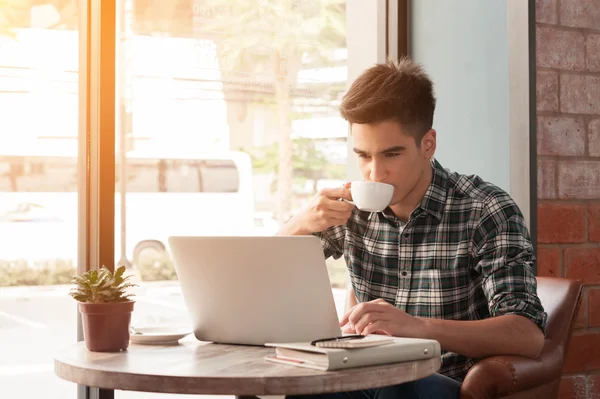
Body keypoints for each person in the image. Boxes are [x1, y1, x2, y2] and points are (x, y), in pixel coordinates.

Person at [278, 57, 547, 399]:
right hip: (361, 376)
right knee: (301, 387)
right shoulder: (350, 211)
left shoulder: (485, 209)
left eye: (391, 155)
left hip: (441, 383)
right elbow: (258, 274)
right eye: (363, 155)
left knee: (399, 388)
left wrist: (417, 328)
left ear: (428, 144)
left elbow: (527, 334)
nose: (375, 174)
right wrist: (299, 224)